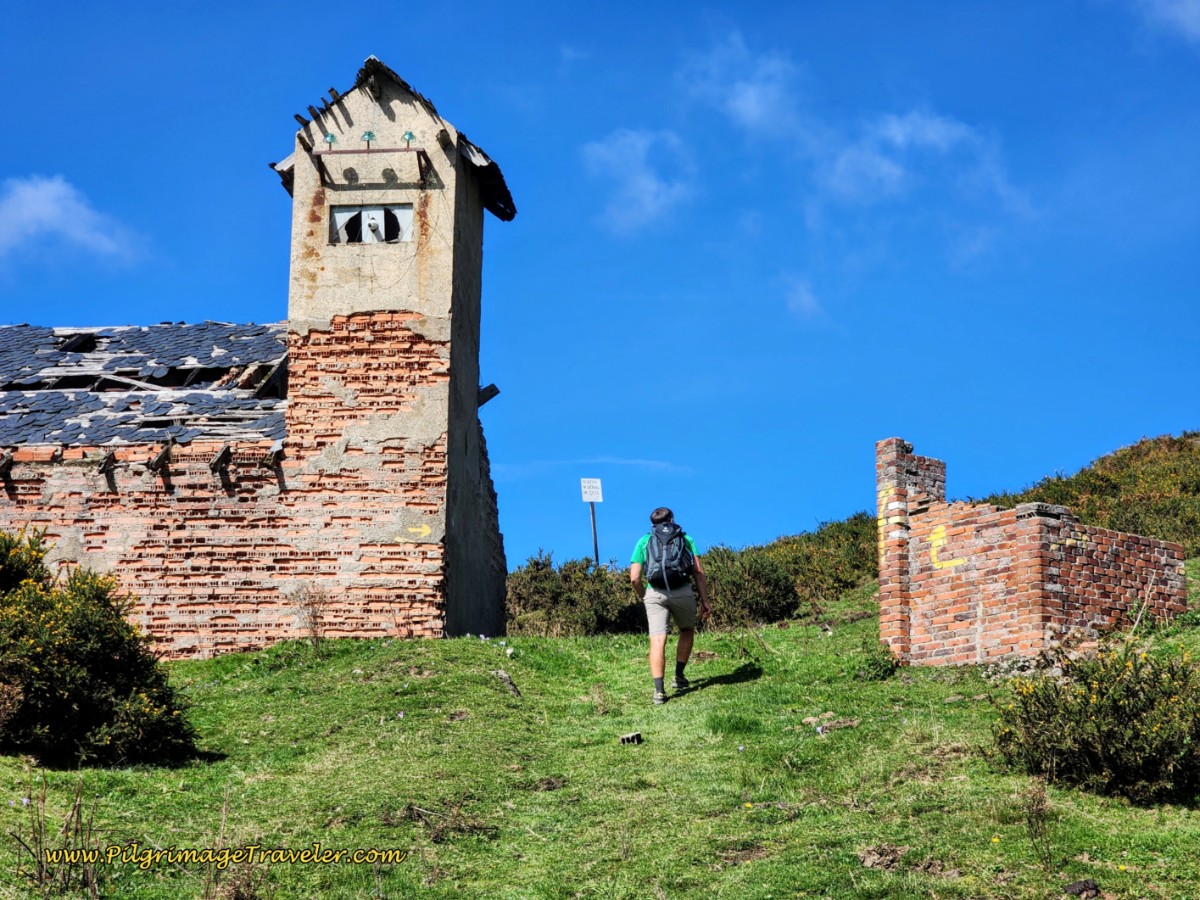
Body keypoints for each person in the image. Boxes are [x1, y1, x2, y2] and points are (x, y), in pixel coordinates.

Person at [629, 507, 711, 705]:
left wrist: (645, 596)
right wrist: (705, 601)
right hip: (682, 591)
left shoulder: (644, 541)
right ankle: (679, 676)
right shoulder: (686, 538)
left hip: (655, 592)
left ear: (652, 524)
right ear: (672, 519)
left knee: (657, 639)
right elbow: (698, 572)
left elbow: (634, 578)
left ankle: (659, 691)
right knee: (687, 630)